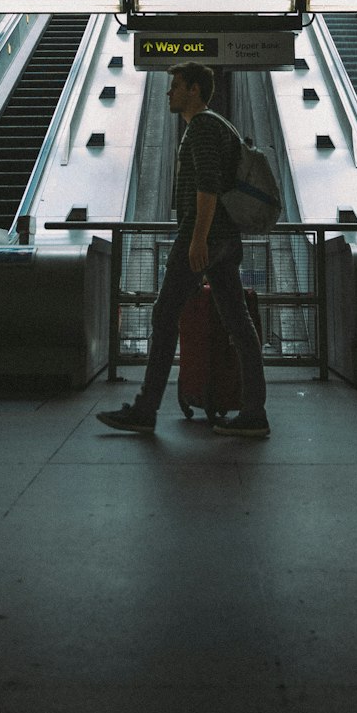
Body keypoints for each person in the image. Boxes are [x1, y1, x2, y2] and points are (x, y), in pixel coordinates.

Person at [98, 62, 269, 436]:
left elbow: (207, 188)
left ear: (193, 89)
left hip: (203, 237)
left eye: (175, 86)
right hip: (225, 240)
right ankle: (254, 412)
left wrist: (196, 240)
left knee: (164, 314)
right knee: (238, 322)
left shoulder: (203, 127)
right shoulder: (219, 126)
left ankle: (146, 408)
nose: (168, 93)